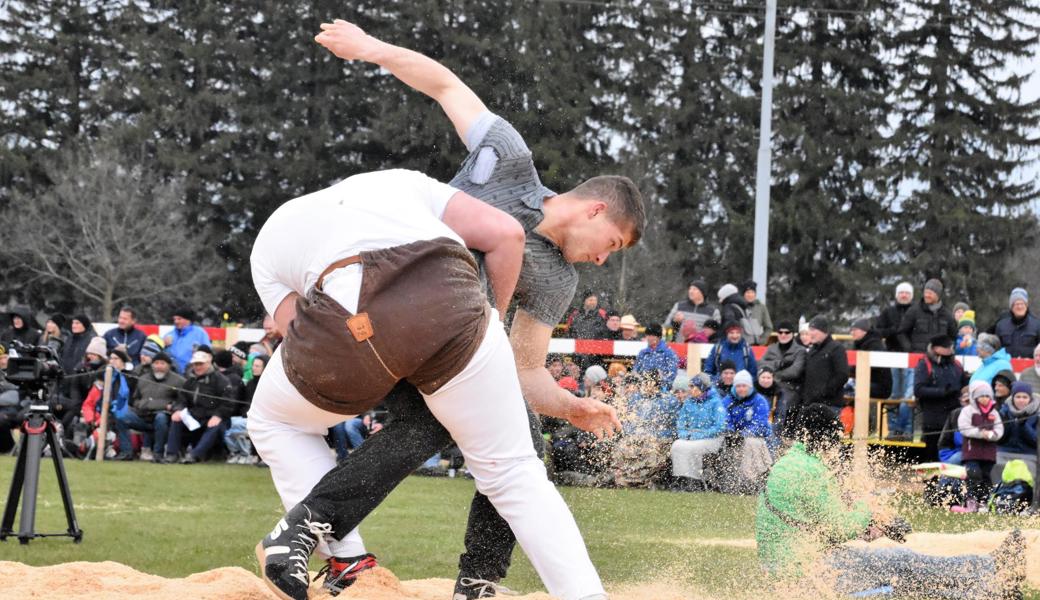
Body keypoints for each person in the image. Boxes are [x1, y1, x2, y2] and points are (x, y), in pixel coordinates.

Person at [278, 22, 645, 600]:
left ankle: (477, 581)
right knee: (429, 420)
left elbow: (523, 370)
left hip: (452, 357)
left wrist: (569, 406)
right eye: (613, 244)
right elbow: (446, 85)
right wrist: (371, 50)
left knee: (522, 441)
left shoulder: (557, 280)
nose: (603, 260)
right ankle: (308, 527)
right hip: (374, 304)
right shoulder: (508, 163)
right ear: (596, 210)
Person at [757, 403, 1026, 599]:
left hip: (794, 566)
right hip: (808, 575)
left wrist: (870, 526)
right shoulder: (810, 471)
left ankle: (986, 581)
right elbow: (839, 527)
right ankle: (988, 578)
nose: (838, 448)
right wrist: (868, 509)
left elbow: (815, 524)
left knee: (900, 566)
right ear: (824, 439)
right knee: (901, 571)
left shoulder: (792, 463)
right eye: (837, 441)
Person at [165, 350, 233, 464]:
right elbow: (182, 399)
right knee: (176, 419)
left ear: (209, 363)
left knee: (215, 426)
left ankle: (195, 455)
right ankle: (172, 454)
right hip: (195, 416)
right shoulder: (190, 381)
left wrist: (218, 415)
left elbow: (228, 402)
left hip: (215, 417)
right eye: (195, 364)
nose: (197, 367)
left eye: (200, 364)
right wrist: (179, 410)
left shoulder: (221, 380)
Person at [116, 351, 183, 463]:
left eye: (162, 363)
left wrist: (170, 407)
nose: (159, 366)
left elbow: (181, 401)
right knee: (121, 416)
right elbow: (135, 400)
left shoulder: (179, 381)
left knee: (161, 418)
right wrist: (143, 404)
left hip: (164, 418)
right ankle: (126, 452)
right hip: (142, 415)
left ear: (169, 365)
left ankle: (158, 454)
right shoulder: (143, 379)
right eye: (156, 363)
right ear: (152, 365)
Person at [716, 370, 772, 493]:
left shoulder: (759, 401)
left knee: (749, 444)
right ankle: (729, 482)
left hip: (758, 437)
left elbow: (760, 423)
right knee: (724, 444)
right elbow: (724, 419)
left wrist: (743, 434)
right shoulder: (728, 400)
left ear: (750, 386)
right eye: (738, 386)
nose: (741, 389)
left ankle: (750, 481)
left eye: (744, 386)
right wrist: (731, 432)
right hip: (735, 435)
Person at [914, 335, 967, 461]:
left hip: (954, 416)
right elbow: (919, 390)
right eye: (945, 347)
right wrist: (943, 392)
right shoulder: (924, 364)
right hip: (933, 417)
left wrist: (966, 391)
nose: (949, 349)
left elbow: (964, 382)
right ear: (935, 348)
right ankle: (930, 480)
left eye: (950, 347)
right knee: (932, 452)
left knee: (951, 451)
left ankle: (948, 479)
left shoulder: (956, 364)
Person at [953, 381, 1003, 513]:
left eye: (987, 396)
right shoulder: (968, 411)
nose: (985, 399)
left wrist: (993, 435)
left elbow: (1000, 428)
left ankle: (984, 502)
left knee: (986, 477)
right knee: (974, 475)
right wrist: (981, 433)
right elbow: (964, 428)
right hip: (972, 451)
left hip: (988, 453)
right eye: (981, 396)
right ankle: (971, 501)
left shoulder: (994, 413)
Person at [670, 373, 726, 491]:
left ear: (702, 388)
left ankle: (694, 480)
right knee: (677, 445)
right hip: (692, 436)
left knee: (692, 448)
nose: (690, 390)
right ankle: (681, 478)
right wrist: (684, 434)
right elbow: (681, 422)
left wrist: (699, 435)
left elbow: (719, 427)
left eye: (693, 387)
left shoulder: (715, 403)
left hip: (712, 438)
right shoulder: (689, 402)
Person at [798, 317, 849, 420]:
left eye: (813, 330)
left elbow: (842, 374)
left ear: (823, 331)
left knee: (827, 434)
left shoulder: (836, 348)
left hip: (830, 403)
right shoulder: (812, 350)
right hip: (810, 403)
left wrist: (825, 392)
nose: (810, 333)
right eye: (809, 330)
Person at [896, 279, 957, 353]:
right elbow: (901, 333)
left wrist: (947, 350)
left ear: (937, 295)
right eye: (925, 292)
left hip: (939, 359)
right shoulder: (913, 311)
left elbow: (954, 337)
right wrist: (910, 349)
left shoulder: (947, 315)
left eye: (930, 293)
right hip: (917, 357)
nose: (926, 295)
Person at [995, 381, 1038, 483]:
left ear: (1030, 399)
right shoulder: (1003, 411)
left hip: (1028, 455)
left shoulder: (1037, 414)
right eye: (1018, 397)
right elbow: (999, 439)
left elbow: (1036, 440)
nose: (1021, 400)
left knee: (1023, 475)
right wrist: (1006, 424)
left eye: (1024, 397)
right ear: (1013, 398)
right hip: (1004, 452)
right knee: (995, 468)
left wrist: (1023, 426)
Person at [759, 320, 805, 412]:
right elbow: (761, 364)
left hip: (790, 388)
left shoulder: (800, 350)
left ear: (792, 334)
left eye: (787, 332)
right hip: (769, 386)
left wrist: (774, 375)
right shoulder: (771, 348)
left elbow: (795, 371)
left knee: (783, 409)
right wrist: (779, 363)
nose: (783, 335)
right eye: (780, 332)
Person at [991, 287, 1040, 359]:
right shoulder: (1001, 326)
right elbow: (996, 351)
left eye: (1022, 304)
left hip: (1030, 368)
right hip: (1007, 368)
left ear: (1026, 306)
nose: (1019, 307)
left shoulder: (1037, 325)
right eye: (1016, 304)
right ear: (1011, 307)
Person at [849, 318, 892, 400]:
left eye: (855, 330)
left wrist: (852, 372)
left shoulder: (875, 344)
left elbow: (874, 366)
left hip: (880, 386)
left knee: (855, 389)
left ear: (864, 331)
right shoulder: (858, 343)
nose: (852, 333)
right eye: (851, 330)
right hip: (864, 382)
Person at [163, 307, 211, 373]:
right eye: (174, 319)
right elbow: (161, 355)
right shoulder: (169, 335)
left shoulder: (200, 333)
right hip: (172, 374)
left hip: (192, 373)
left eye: (179, 319)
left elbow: (208, 353)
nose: (176, 321)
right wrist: (164, 345)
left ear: (188, 320)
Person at [741, 280, 773, 345]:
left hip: (756, 345)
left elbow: (769, 327)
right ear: (744, 294)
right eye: (747, 292)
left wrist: (762, 340)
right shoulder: (739, 307)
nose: (750, 295)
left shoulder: (761, 307)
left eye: (752, 292)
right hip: (741, 345)